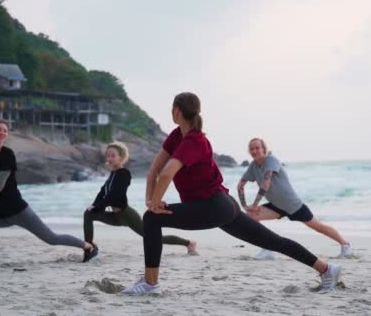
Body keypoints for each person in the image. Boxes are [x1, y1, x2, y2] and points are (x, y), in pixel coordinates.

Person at [122, 92, 342, 295]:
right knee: (273, 241)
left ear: (176, 111)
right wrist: (151, 200)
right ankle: (326, 269)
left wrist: (154, 204)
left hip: (213, 206)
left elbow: (166, 173)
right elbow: (154, 171)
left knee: (151, 219)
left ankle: (150, 284)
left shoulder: (194, 140)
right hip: (222, 204)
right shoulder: (176, 136)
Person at [0, 118, 98, 267]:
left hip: (17, 211)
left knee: (51, 238)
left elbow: (0, 184)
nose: (2, 133)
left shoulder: (7, 154)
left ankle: (89, 247)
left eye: (5, 130)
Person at [237, 138, 352, 260]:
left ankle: (345, 245)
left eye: (257, 148)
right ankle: (267, 248)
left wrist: (255, 203)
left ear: (263, 149)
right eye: (252, 149)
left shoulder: (271, 160)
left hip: (293, 205)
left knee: (319, 227)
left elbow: (266, 182)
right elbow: (240, 185)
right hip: (276, 206)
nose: (254, 151)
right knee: (251, 216)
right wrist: (244, 205)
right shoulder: (253, 166)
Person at [83, 141, 198, 255]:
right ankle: (89, 247)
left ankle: (188, 243)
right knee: (88, 214)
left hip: (127, 215)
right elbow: (102, 192)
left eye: (113, 155)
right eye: (108, 155)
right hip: (116, 216)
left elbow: (114, 195)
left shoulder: (124, 174)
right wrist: (94, 205)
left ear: (121, 157)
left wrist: (98, 207)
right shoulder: (113, 174)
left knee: (153, 237)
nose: (109, 158)